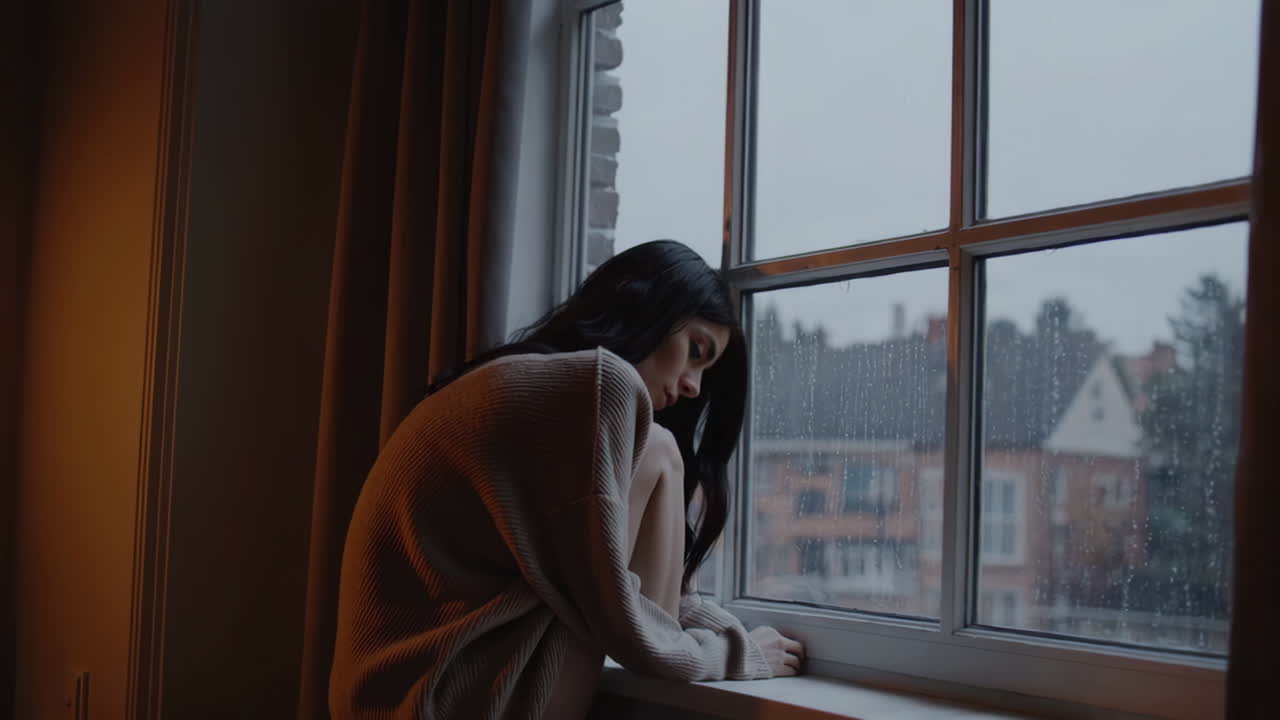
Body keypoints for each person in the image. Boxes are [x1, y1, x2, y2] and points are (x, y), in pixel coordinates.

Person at [329, 240, 805, 719]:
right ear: (647, 309)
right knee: (661, 449)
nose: (693, 386)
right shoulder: (601, 385)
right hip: (444, 703)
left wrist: (730, 634)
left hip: (402, 702)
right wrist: (741, 655)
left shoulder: (523, 390)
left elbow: (645, 605)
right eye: (696, 350)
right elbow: (645, 639)